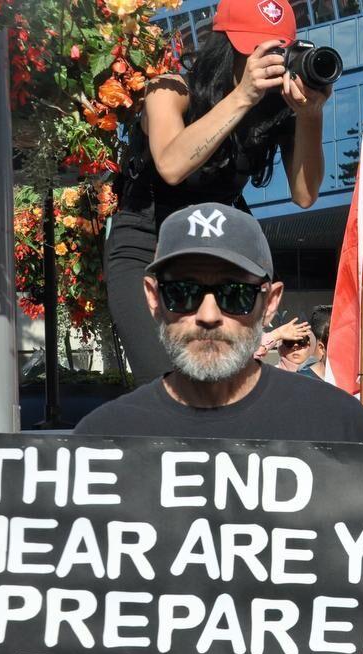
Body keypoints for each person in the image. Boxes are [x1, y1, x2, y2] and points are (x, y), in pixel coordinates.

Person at [77, 202, 363, 654]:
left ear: (271, 300)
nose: (207, 314)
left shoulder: (334, 424)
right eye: (183, 292)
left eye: (235, 295)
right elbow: (58, 600)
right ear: (153, 297)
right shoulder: (102, 440)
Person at [107, 0, 329, 385]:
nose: (268, 62)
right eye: (255, 50)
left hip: (217, 246)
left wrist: (311, 116)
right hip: (148, 242)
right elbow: (172, 166)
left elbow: (305, 195)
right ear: (226, 49)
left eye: (279, 50)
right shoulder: (170, 89)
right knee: (165, 379)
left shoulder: (279, 110)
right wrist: (243, 96)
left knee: (224, 381)